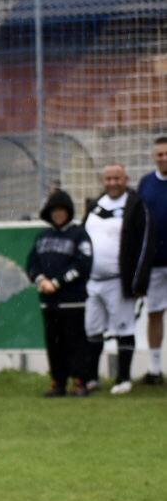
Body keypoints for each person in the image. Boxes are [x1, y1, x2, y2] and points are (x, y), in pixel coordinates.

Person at [82, 164, 154, 394]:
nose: (112, 183)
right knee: (93, 329)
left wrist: (139, 282)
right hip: (93, 281)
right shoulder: (95, 205)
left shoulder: (136, 205)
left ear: (126, 179)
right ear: (102, 181)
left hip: (118, 281)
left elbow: (145, 245)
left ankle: (123, 379)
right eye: (108, 179)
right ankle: (92, 378)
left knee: (123, 328)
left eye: (117, 178)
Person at [26, 189, 93, 396]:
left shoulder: (79, 234)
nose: (57, 214)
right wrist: (41, 280)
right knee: (54, 344)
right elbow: (32, 263)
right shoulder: (42, 236)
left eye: (61, 210)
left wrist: (57, 282)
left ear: (69, 211)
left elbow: (83, 264)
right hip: (49, 301)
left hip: (72, 302)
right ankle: (58, 383)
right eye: (53, 210)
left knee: (75, 343)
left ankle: (81, 382)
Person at [136, 138, 167, 385]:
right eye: (160, 154)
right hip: (155, 263)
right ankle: (154, 370)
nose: (164, 158)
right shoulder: (146, 183)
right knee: (154, 313)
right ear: (153, 157)